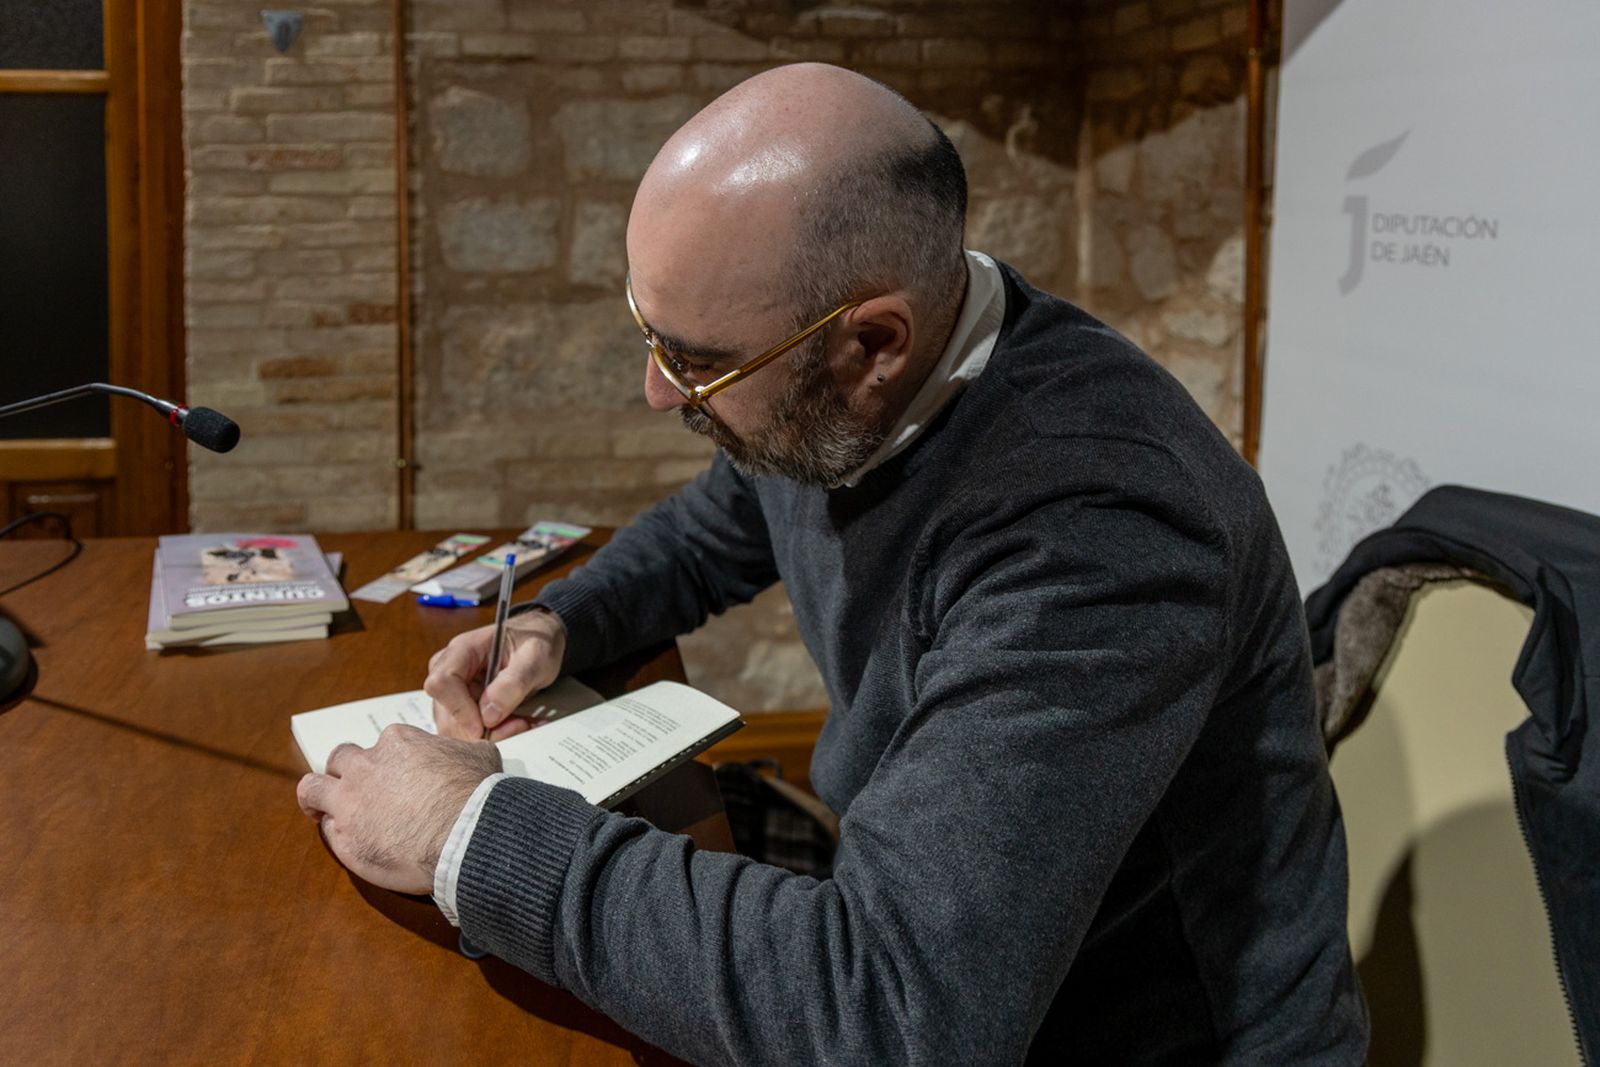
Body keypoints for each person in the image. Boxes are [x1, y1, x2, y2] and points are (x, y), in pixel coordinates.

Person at [297, 63, 1369, 1064]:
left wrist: (468, 832)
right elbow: (727, 519)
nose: (659, 392)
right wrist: (561, 623)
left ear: (874, 344)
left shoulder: (1097, 528)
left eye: (699, 360)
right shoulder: (857, 381)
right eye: (651, 334)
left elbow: (896, 1009)